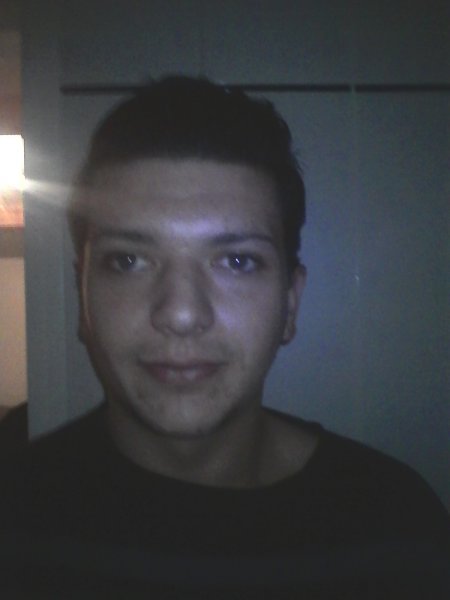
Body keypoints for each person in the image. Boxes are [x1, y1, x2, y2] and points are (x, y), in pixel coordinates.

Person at [0, 76, 448, 598]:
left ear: (290, 304)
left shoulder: (395, 526)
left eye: (237, 261)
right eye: (128, 260)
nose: (181, 314)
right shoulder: (16, 520)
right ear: (83, 299)